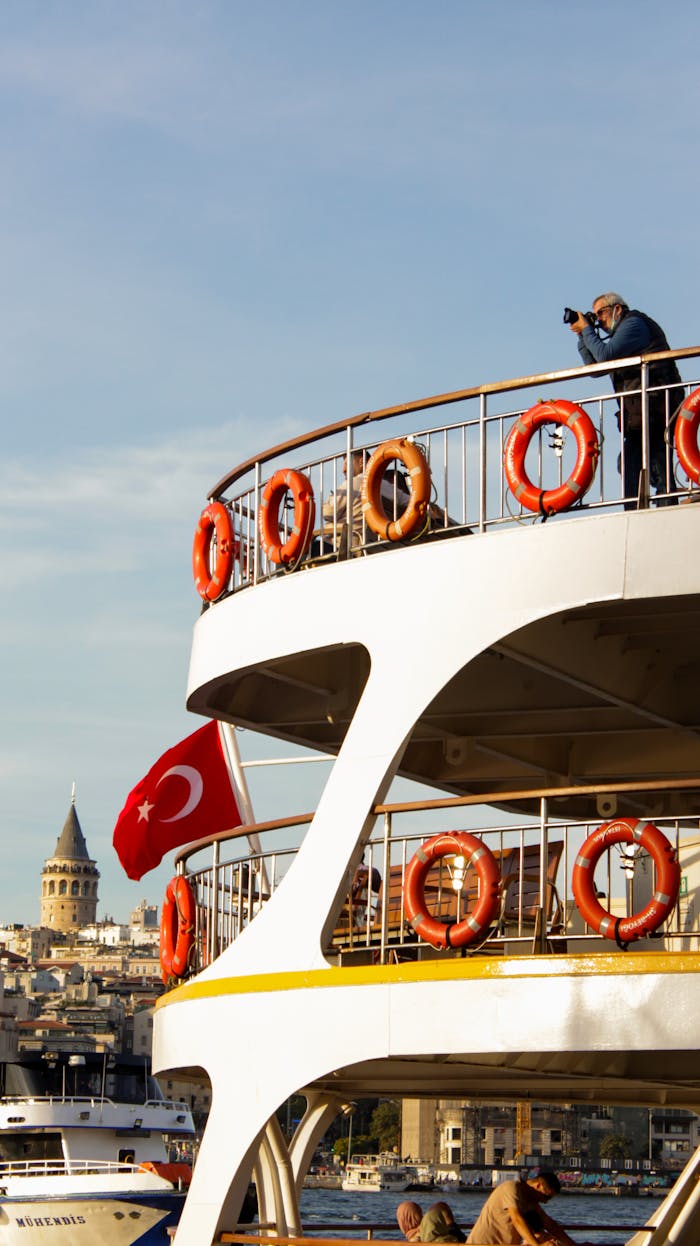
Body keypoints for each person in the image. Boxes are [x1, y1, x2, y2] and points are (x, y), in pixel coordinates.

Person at [568, 293, 684, 509]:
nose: (599, 319)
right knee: (629, 464)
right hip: (638, 413)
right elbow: (595, 369)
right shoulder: (620, 336)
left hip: (657, 406)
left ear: (617, 309)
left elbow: (604, 356)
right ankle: (638, 512)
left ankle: (665, 507)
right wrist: (582, 335)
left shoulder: (634, 325)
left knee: (656, 462)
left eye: (601, 312)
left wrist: (587, 330)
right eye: (594, 315)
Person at [466, 1169, 580, 1246]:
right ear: (538, 1185)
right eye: (546, 1197)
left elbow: (551, 1226)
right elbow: (517, 1219)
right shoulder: (511, 1188)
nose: (545, 1202)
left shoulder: (531, 1203)